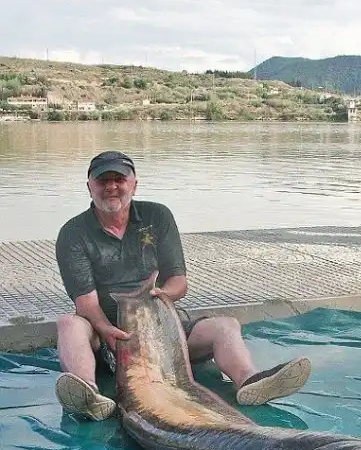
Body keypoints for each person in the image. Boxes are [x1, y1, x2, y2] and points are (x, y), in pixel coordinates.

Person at [54, 150, 312, 421]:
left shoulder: (158, 216)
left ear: (134, 185)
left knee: (225, 326)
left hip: (163, 331)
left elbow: (179, 282)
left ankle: (249, 380)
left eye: (119, 179)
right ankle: (87, 392)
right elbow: (86, 303)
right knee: (69, 324)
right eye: (103, 180)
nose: (111, 187)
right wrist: (108, 331)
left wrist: (162, 294)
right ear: (90, 187)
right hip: (106, 334)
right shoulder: (73, 233)